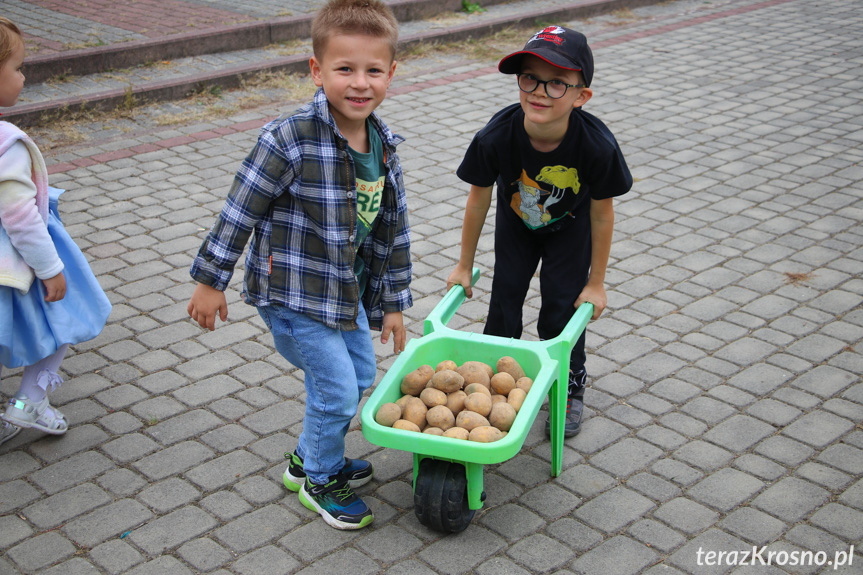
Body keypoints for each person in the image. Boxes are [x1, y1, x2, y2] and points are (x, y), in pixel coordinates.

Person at [187, 0, 412, 530]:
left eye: (373, 70)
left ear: (391, 73)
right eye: (344, 69)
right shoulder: (287, 138)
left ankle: (307, 456)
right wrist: (209, 280)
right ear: (317, 70)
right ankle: (319, 478)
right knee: (335, 389)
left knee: (358, 378)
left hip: (345, 293)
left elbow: (390, 233)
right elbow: (241, 207)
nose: (360, 83)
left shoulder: (381, 144)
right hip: (292, 295)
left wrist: (394, 306)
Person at [446, 26, 632, 438]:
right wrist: (463, 265)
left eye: (557, 83)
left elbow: (602, 215)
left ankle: (570, 383)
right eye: (529, 77)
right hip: (517, 225)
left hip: (571, 229)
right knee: (504, 303)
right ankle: (494, 383)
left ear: (581, 96)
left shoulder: (596, 147)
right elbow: (478, 201)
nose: (539, 91)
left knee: (560, 312)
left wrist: (596, 283)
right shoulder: (495, 136)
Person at [0, 17, 111, 446]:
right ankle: (30, 404)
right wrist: (50, 269)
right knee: (65, 318)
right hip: (17, 265)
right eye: (18, 68)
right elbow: (21, 217)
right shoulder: (6, 145)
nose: (24, 76)